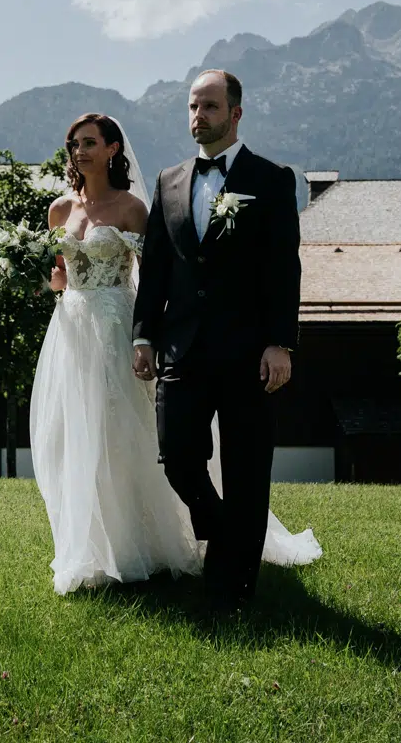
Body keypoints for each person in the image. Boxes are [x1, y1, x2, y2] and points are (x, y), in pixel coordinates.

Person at [132, 70, 321, 610]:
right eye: (193, 107)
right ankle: (224, 530)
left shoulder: (271, 178)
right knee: (178, 459)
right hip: (182, 349)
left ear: (235, 114)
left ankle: (232, 592)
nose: (199, 117)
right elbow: (158, 269)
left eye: (210, 107)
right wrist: (143, 334)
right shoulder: (168, 181)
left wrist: (281, 342)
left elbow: (284, 268)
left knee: (246, 471)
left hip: (249, 351)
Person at [29, 112, 201, 593]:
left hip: (116, 325)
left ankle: (141, 543)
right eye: (73, 144)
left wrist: (148, 337)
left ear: (112, 149)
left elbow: (152, 280)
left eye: (89, 142)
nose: (79, 151)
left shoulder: (131, 209)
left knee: (121, 432)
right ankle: (87, 546)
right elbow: (60, 274)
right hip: (71, 330)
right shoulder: (59, 210)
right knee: (73, 434)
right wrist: (48, 280)